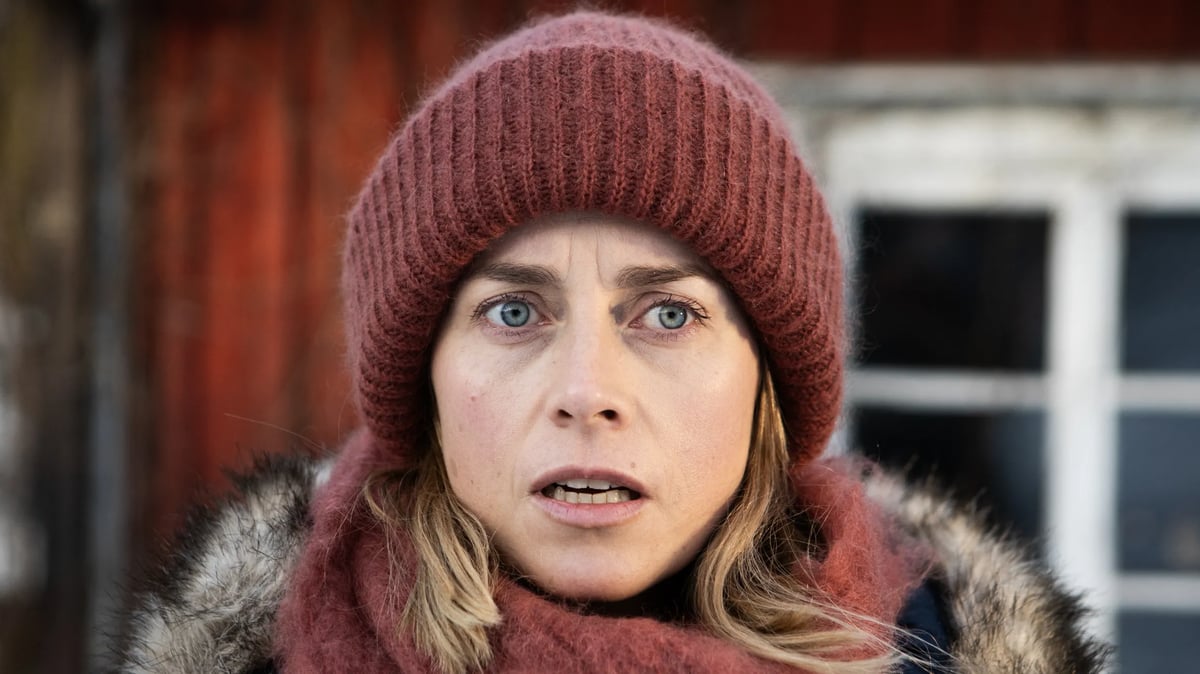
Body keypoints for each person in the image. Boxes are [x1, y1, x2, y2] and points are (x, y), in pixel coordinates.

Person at [114, 11, 1109, 673]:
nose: (587, 389)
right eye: (514, 312)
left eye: (668, 314)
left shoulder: (933, 655)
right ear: (423, 381)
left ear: (767, 380)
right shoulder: (269, 654)